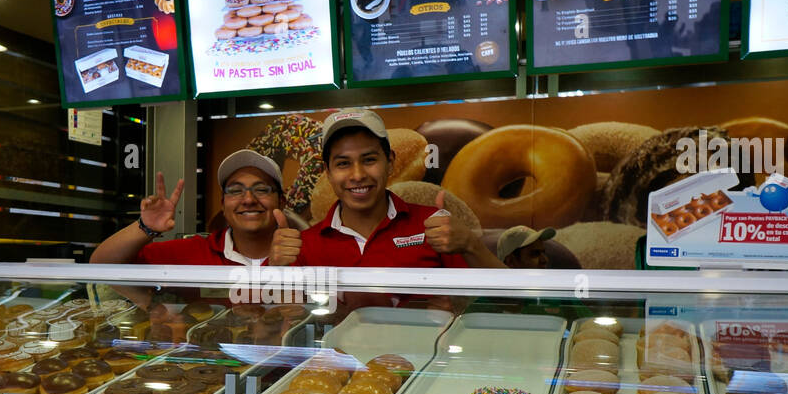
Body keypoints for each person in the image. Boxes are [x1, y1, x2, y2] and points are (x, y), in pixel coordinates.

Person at [270, 109, 501, 269]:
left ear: (390, 162)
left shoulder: (434, 227)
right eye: (343, 163)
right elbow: (290, 321)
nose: (358, 175)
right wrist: (277, 273)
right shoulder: (304, 245)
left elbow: (510, 301)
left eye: (369, 160)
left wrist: (471, 245)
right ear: (328, 172)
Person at [90, 150, 284, 266]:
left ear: (281, 202)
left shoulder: (308, 250)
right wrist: (145, 227)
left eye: (261, 189)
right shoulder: (195, 251)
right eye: (235, 190)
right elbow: (101, 264)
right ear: (223, 205)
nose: (248, 199)